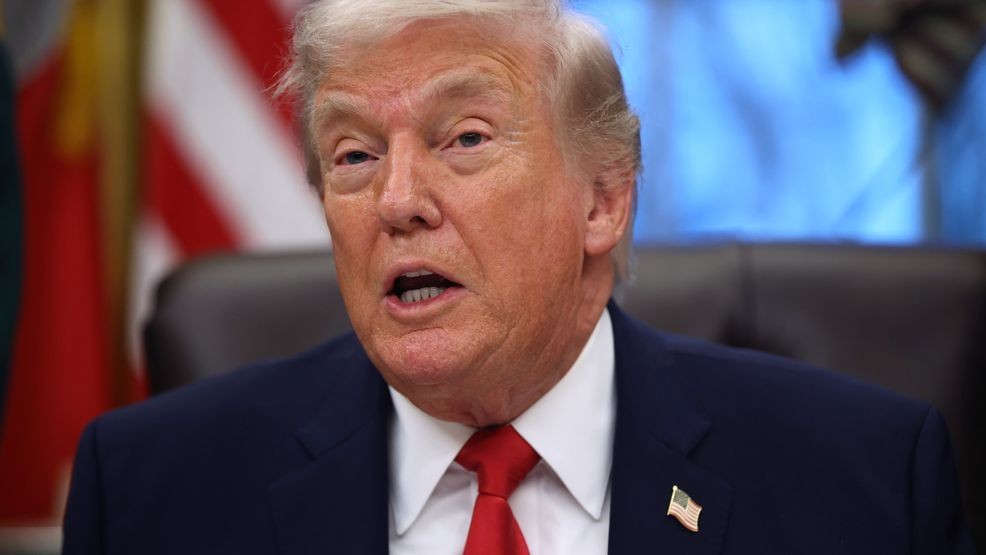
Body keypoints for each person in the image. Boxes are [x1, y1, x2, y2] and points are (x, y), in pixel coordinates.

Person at [62, 1, 975, 553]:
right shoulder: (154, 493)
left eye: (464, 138)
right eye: (353, 154)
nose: (397, 199)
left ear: (603, 201)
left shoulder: (861, 485)